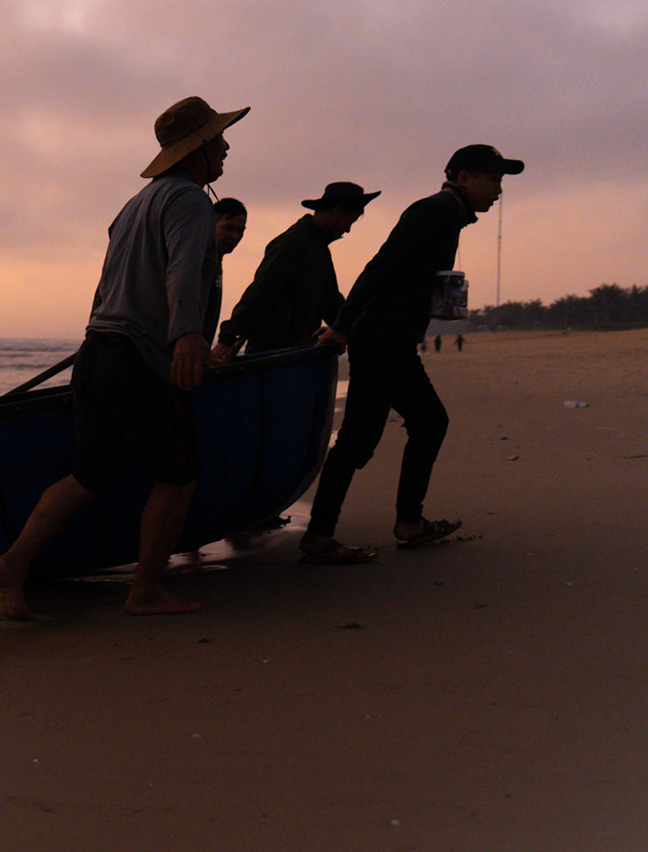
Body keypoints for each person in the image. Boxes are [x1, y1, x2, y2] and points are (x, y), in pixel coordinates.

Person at [0, 96, 247, 618]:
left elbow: (105, 286)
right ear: (196, 150)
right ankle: (145, 591)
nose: (225, 147)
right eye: (218, 140)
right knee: (176, 477)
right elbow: (180, 273)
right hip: (141, 360)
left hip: (98, 352)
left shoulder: (133, 205)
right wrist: (188, 337)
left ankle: (10, 565)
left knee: (91, 475)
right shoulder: (191, 201)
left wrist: (103, 335)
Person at [299, 144, 524, 563]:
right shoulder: (433, 212)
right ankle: (320, 535)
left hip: (395, 342)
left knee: (428, 421)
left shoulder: (449, 217)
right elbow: (380, 266)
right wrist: (344, 326)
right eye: (493, 180)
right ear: (464, 178)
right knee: (358, 442)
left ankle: (408, 523)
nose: (498, 190)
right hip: (381, 341)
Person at [218, 181, 379, 353]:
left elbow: (332, 304)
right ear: (338, 210)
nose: (348, 229)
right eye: (350, 220)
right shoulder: (293, 243)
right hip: (272, 358)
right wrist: (227, 338)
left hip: (295, 355)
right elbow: (260, 292)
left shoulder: (318, 249)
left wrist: (352, 330)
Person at [206, 198, 249, 355]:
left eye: (240, 231)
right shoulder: (199, 261)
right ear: (212, 223)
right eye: (229, 228)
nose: (235, 237)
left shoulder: (216, 262)